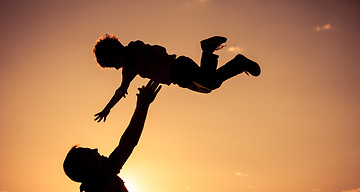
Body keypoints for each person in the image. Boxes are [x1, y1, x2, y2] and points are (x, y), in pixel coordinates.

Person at [63, 80, 161, 192]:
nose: (95, 150)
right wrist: (142, 105)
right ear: (86, 166)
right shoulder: (101, 180)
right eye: (89, 152)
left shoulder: (99, 184)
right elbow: (129, 141)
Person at [93, 34, 261, 122]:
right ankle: (236, 62)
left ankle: (211, 51)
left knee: (209, 82)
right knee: (211, 84)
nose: (116, 67)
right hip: (178, 79)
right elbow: (120, 90)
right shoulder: (127, 70)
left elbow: (138, 63)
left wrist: (125, 83)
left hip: (180, 67)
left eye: (113, 62)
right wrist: (108, 108)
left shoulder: (134, 48)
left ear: (116, 49)